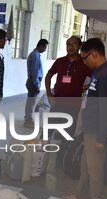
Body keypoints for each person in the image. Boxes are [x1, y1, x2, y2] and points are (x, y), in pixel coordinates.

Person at [67, 38, 107, 199]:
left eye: (85, 58)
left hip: (97, 131)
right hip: (90, 128)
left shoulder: (106, 74)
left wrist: (101, 137)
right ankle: (79, 194)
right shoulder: (100, 72)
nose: (84, 61)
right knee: (85, 166)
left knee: (95, 170)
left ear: (95, 54)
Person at [44, 36, 92, 168]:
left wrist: (87, 87)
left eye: (73, 44)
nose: (70, 47)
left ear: (79, 46)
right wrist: (49, 93)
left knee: (67, 134)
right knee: (47, 131)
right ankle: (41, 156)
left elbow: (96, 77)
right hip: (57, 104)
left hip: (73, 106)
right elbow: (48, 76)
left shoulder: (84, 64)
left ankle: (61, 160)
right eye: (68, 44)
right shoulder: (60, 62)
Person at [24, 39, 48, 127]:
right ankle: (28, 121)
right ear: (40, 46)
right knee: (31, 102)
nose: (45, 49)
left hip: (32, 81)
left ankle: (28, 118)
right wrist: (36, 85)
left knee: (30, 101)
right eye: (45, 47)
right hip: (33, 82)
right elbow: (35, 72)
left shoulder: (36, 54)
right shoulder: (35, 56)